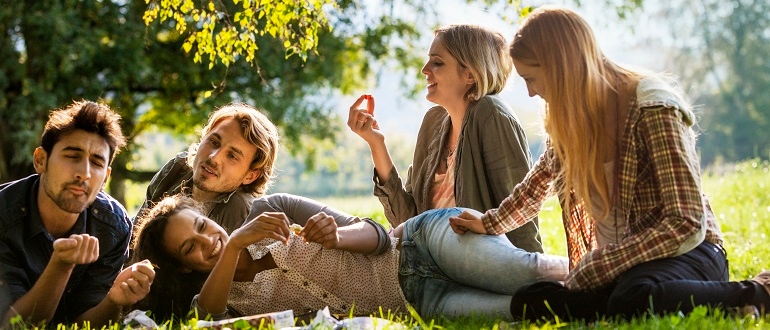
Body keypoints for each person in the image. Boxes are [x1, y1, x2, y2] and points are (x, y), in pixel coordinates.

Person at [448, 5, 770, 321]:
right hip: (629, 266)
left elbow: (685, 223)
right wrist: (490, 223)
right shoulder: (571, 118)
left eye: (532, 78)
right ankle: (641, 301)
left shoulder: (653, 106)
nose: (531, 93)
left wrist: (604, 264)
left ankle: (756, 291)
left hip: (688, 253)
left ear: (561, 67)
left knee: (635, 294)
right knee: (532, 299)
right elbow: (538, 183)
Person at [131, 194, 569, 322]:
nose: (208, 241)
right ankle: (607, 297)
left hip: (420, 244)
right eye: (191, 247)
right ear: (185, 266)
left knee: (523, 270)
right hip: (419, 303)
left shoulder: (274, 211)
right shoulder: (224, 300)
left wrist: (336, 235)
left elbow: (379, 235)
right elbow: (205, 317)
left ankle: (608, 267)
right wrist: (235, 246)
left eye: (204, 227)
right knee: (522, 308)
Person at [347, 24, 543, 253]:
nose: (424, 69)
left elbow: (521, 218)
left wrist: (534, 281)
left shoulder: (491, 115)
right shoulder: (434, 121)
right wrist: (375, 143)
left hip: (468, 267)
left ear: (470, 74)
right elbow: (407, 221)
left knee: (331, 243)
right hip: (422, 260)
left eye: (437, 62)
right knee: (299, 211)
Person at [0, 101, 155, 327]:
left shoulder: (113, 225)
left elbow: (80, 325)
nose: (84, 173)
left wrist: (113, 301)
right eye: (72, 156)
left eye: (96, 162)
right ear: (41, 160)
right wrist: (61, 265)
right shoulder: (4, 216)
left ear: (106, 178)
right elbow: (12, 325)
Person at [136, 103, 279, 233]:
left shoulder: (242, 210)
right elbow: (134, 238)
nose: (214, 157)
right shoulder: (177, 168)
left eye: (232, 156)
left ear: (251, 175)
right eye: (214, 142)